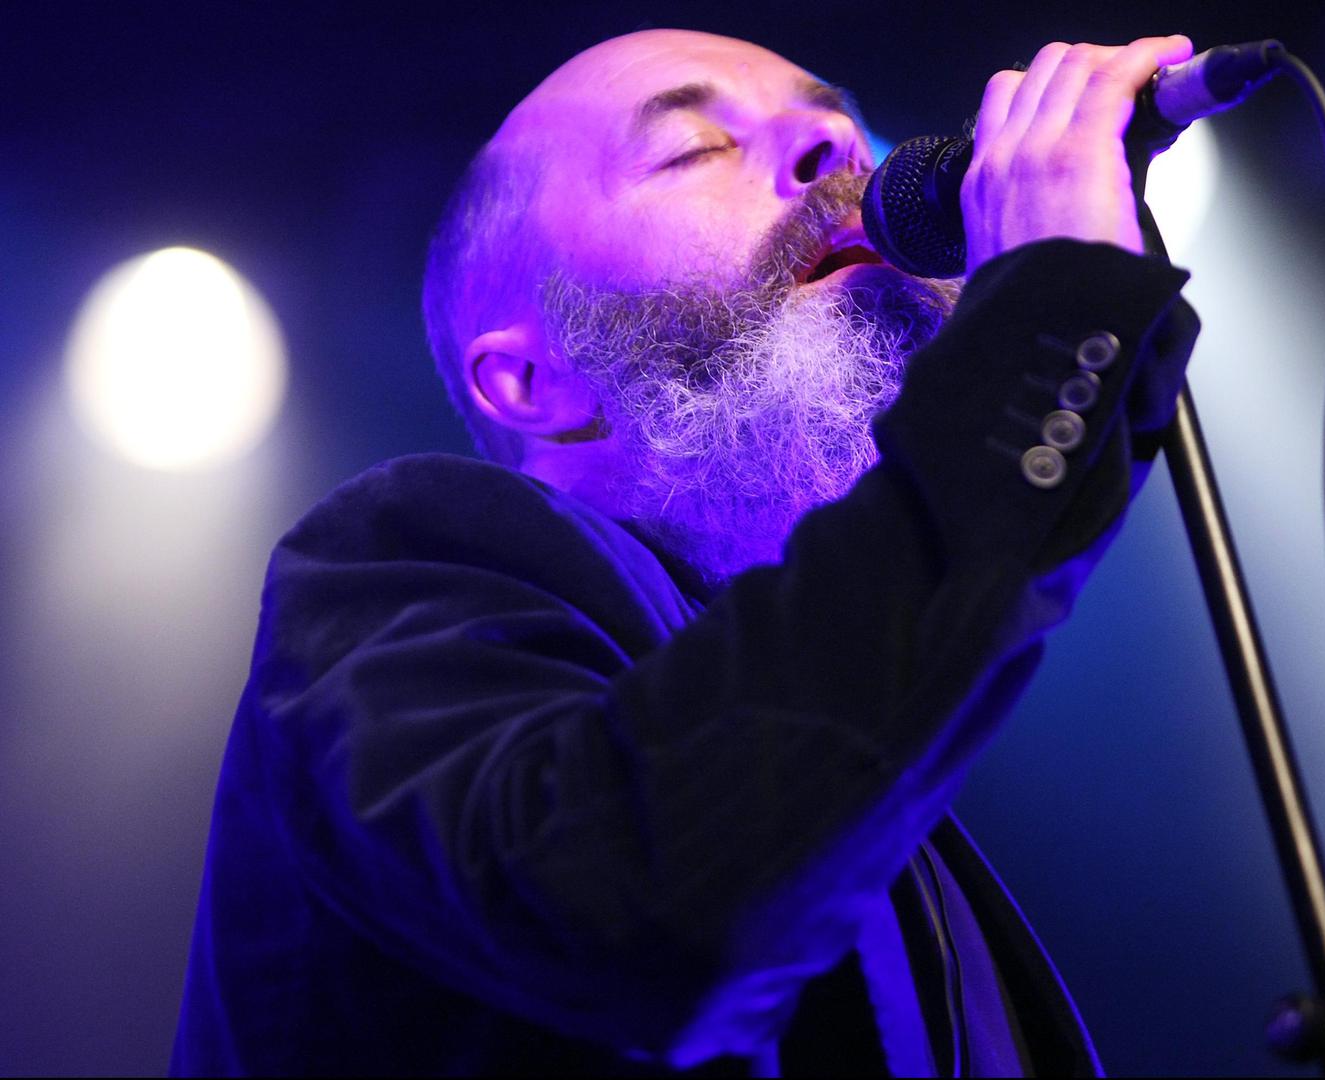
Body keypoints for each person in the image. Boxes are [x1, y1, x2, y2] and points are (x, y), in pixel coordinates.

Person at [172, 27, 1199, 1077]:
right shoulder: (401, 562)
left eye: (836, 123)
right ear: (531, 381)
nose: (835, 147)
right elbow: (632, 902)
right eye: (693, 148)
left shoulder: (892, 807)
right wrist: (1048, 322)